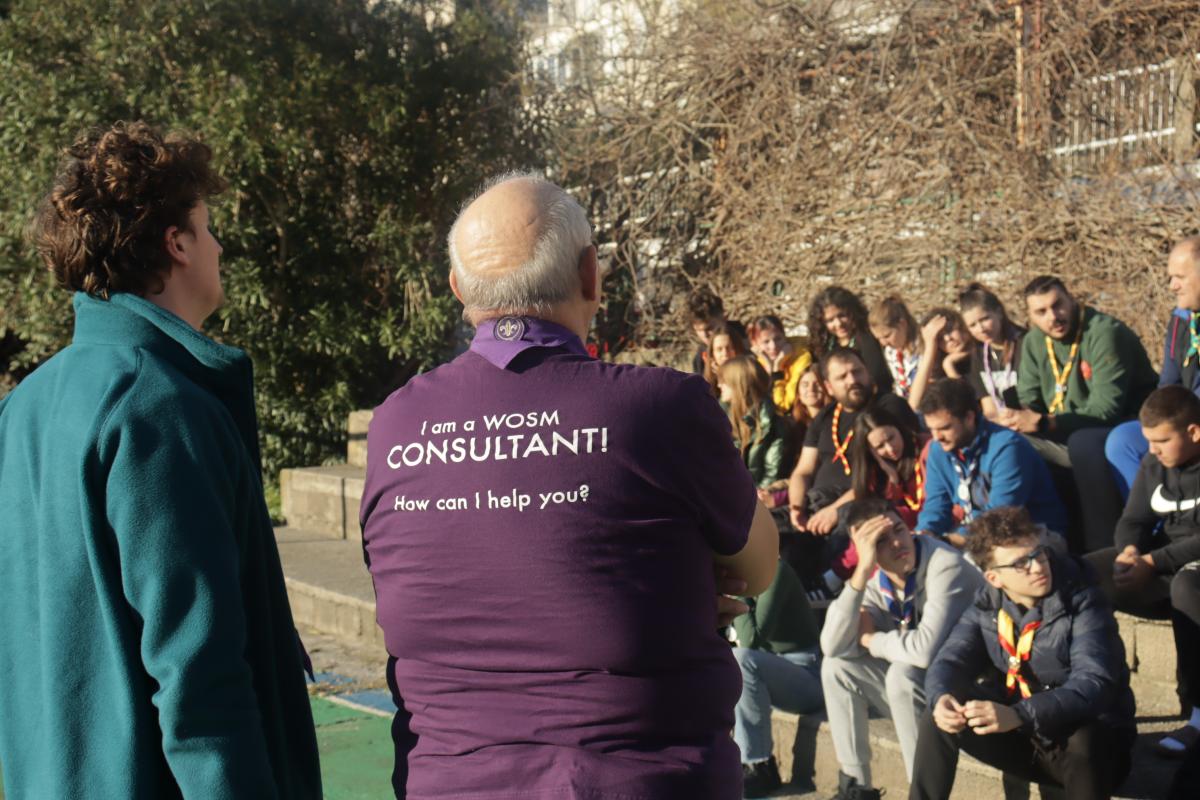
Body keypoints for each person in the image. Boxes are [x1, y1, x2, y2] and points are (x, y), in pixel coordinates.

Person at [359, 173, 779, 798]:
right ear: (591, 274)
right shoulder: (663, 407)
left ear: (458, 289)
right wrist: (674, 583)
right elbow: (758, 566)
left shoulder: (395, 422)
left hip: (447, 780)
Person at [0, 122, 321, 798]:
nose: (219, 246)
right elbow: (199, 677)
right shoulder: (157, 407)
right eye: (207, 227)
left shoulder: (25, 405)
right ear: (176, 243)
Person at [910, 507, 1136, 800]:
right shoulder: (987, 606)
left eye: (1039, 554)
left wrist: (1019, 715)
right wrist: (941, 697)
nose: (1038, 567)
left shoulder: (1083, 600)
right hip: (1027, 735)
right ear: (994, 578)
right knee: (942, 712)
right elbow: (950, 660)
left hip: (1094, 754)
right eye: (1021, 563)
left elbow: (1094, 683)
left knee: (1085, 738)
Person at [820, 498, 983, 800]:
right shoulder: (874, 580)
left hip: (974, 691)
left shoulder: (944, 565)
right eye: (881, 541)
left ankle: (920, 792)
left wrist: (871, 641)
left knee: (903, 674)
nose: (897, 543)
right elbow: (832, 646)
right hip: (928, 694)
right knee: (837, 668)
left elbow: (924, 651)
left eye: (898, 529)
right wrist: (860, 573)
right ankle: (856, 788)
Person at [1087, 385, 1200, 756]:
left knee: (1188, 585)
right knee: (1084, 573)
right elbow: (1133, 519)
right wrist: (1130, 553)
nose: (1152, 449)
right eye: (1149, 440)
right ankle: (1095, 694)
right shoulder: (1155, 464)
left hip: (1189, 572)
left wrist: (1152, 563)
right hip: (1161, 565)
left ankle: (1196, 714)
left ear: (1194, 432)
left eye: (1162, 440)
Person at [1009, 276, 1158, 551]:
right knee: (1010, 441)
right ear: (1030, 317)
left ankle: (1103, 549)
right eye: (1041, 312)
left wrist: (1045, 422)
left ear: (1071, 299)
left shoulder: (1103, 332)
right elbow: (1029, 398)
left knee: (1083, 443)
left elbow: (1106, 409)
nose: (1053, 317)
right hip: (1064, 428)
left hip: (1123, 425)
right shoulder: (1033, 341)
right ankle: (1047, 542)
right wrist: (1017, 418)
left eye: (1058, 305)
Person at [915, 379, 1067, 547]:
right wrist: (925, 534)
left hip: (1031, 535)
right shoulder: (938, 450)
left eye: (944, 428)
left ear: (969, 417)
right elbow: (936, 506)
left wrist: (948, 542)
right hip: (977, 534)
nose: (936, 437)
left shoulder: (1007, 448)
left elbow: (999, 518)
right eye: (931, 429)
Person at [787, 348, 919, 538]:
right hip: (816, 501)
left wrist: (836, 509)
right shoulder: (825, 416)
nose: (852, 380)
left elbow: (886, 472)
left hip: (861, 502)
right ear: (829, 386)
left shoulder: (887, 407)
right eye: (842, 377)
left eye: (857, 372)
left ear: (868, 373)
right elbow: (803, 471)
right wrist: (796, 508)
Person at [1107, 237, 1200, 497]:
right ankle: (1152, 514)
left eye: (1180, 277)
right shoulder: (1182, 320)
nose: (1172, 286)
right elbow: (1168, 385)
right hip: (1183, 418)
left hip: (1193, 424)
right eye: (1171, 277)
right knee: (1122, 440)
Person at [731, 559, 824, 797]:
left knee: (741, 659)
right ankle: (732, 758)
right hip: (773, 671)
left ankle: (760, 766)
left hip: (808, 676)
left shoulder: (775, 570)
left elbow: (751, 638)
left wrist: (735, 592)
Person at [849, 405, 931, 530]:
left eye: (891, 438)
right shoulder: (873, 470)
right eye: (880, 446)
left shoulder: (927, 448)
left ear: (898, 428)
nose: (890, 448)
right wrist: (893, 481)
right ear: (870, 451)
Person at [718, 355, 791, 488]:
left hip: (758, 495)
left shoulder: (773, 424)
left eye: (724, 381)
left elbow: (772, 475)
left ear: (740, 385)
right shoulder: (723, 419)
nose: (719, 385)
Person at [808, 286, 894, 395]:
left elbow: (878, 377)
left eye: (842, 315)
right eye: (830, 320)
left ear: (853, 312)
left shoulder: (867, 338)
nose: (838, 324)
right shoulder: (824, 347)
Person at [959, 282, 1026, 422]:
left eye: (984, 319)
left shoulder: (1024, 344)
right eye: (972, 325)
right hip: (1002, 424)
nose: (981, 329)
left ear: (999, 313)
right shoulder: (978, 354)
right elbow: (989, 409)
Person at [750, 313, 812, 416]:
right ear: (756, 344)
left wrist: (777, 369)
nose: (773, 346)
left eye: (778, 339)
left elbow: (782, 405)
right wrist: (770, 367)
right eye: (766, 342)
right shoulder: (756, 364)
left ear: (785, 337)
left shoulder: (801, 357)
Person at [869, 295, 921, 402]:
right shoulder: (891, 352)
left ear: (902, 324)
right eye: (879, 338)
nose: (884, 343)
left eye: (887, 336)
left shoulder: (923, 345)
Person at [687, 286, 747, 374]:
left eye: (709, 328)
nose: (705, 335)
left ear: (724, 319)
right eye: (699, 330)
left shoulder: (750, 340)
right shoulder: (700, 360)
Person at [703, 320, 751, 395]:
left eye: (729, 348)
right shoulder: (705, 386)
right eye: (719, 349)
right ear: (713, 354)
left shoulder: (750, 376)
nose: (725, 353)